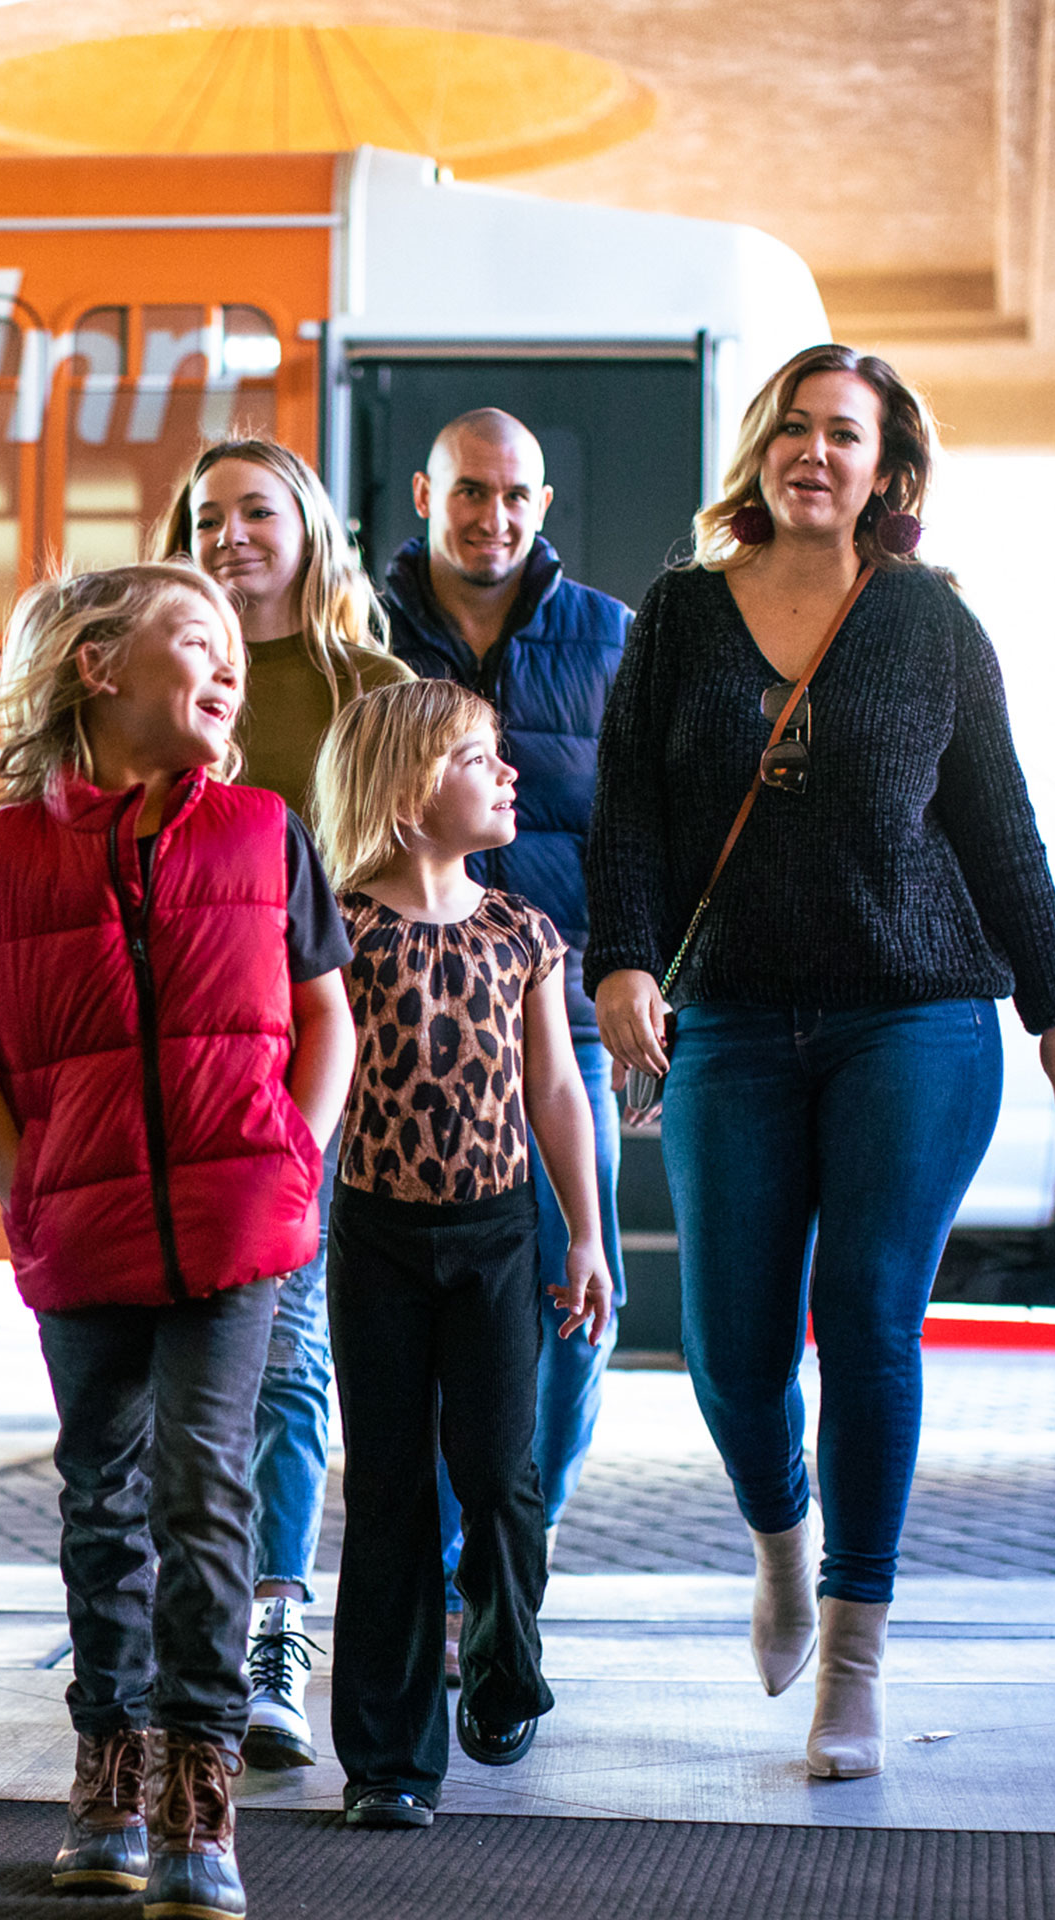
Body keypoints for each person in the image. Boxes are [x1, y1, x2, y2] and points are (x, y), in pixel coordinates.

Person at [584, 344, 1055, 1779]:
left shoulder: (933, 626)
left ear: (891, 471)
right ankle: (781, 1540)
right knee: (734, 1347)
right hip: (737, 1021)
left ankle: (856, 1660)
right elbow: (628, 810)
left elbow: (999, 829)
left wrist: (1053, 1012)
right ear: (763, 451)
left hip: (916, 1015)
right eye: (796, 429)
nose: (818, 452)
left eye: (848, 436)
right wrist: (623, 960)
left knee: (866, 1314)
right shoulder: (681, 618)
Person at [0, 561, 356, 1919]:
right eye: (194, 642)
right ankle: (104, 1771)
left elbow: (325, 1012)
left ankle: (195, 1804)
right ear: (98, 671)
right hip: (84, 1233)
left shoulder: (267, 831)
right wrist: (27, 1185)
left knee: (203, 1495)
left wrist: (297, 1155)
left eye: (233, 649)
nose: (225, 667)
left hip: (237, 1227)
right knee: (101, 1496)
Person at [308, 679, 609, 1829]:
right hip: (377, 1240)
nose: (509, 772)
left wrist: (585, 1231)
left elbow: (557, 1093)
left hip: (496, 1235)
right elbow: (323, 1088)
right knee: (387, 1489)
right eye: (482, 757)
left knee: (498, 1475)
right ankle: (388, 1759)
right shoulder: (339, 928)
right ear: (407, 787)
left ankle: (499, 1665)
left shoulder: (523, 932)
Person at [151, 438, 411, 1772]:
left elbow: (413, 883)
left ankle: (272, 1632)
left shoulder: (374, 689)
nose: (236, 535)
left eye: (260, 512)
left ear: (309, 528)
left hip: (327, 1060)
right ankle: (175, 1623)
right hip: (179, 1070)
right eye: (212, 517)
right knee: (188, 1369)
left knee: (292, 1359)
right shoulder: (157, 681)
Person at [375, 408, 629, 1668]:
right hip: (396, 1036)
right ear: (427, 492)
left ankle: (504, 1573)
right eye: (472, 492)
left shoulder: (606, 638)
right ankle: (428, 1590)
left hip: (561, 1018)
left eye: (518, 495)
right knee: (410, 1330)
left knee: (578, 1307)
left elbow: (641, 831)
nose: (497, 517)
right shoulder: (363, 632)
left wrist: (633, 980)